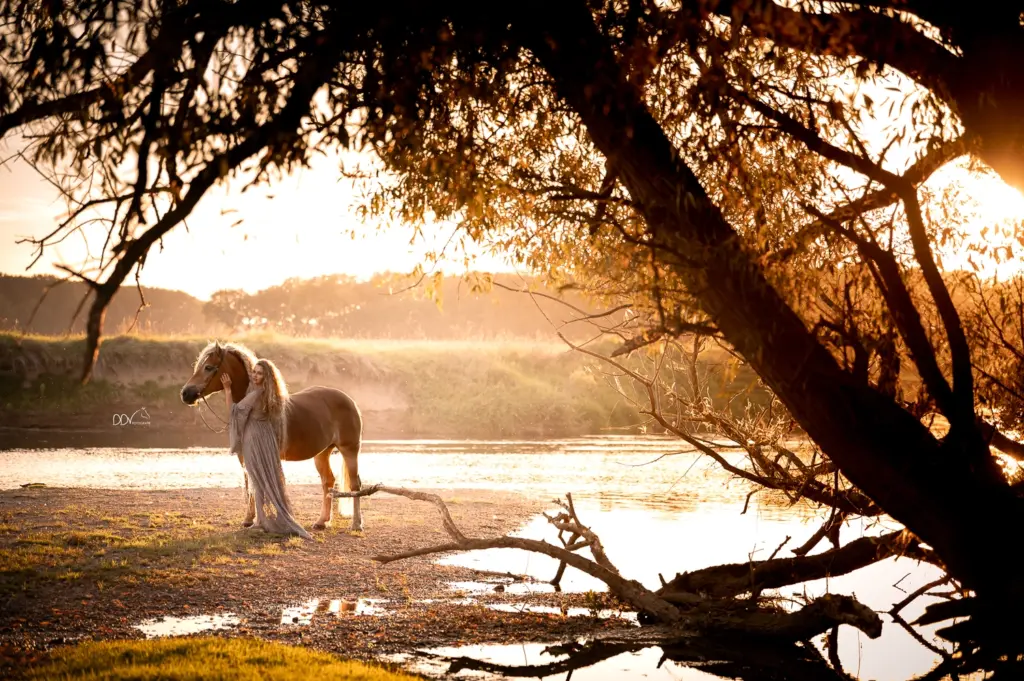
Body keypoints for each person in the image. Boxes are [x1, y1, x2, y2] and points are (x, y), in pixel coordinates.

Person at [222, 358, 312, 540]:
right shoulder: (270, 393)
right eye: (254, 372)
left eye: (259, 373)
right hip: (266, 437)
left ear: (267, 376)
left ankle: (261, 521)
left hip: (254, 439)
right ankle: (262, 519)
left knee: (257, 478)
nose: (255, 376)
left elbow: (233, 411)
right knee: (266, 477)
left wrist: (228, 389)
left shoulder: (256, 395)